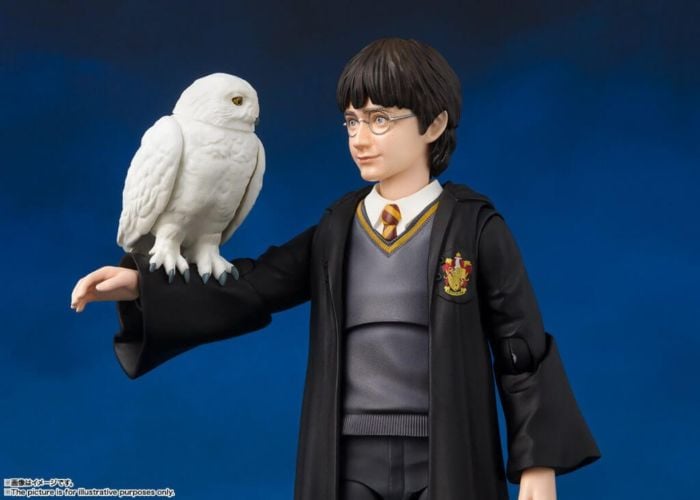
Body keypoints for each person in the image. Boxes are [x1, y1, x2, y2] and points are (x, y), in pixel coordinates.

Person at [71, 38, 600, 500]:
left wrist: (537, 462)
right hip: (348, 460)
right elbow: (255, 287)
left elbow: (519, 346)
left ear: (434, 124)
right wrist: (144, 285)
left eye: (380, 119)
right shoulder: (339, 228)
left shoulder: (474, 227)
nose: (360, 137)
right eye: (352, 121)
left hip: (447, 453)